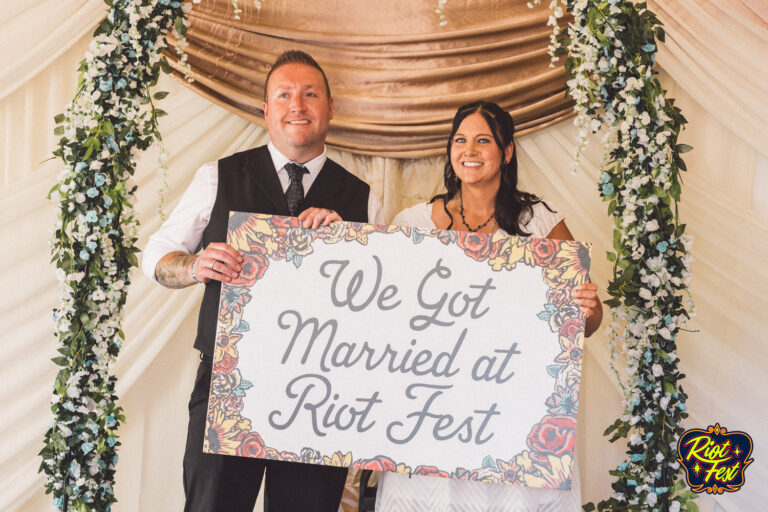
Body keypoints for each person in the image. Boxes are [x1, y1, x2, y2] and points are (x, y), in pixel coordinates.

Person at [141, 50, 384, 512]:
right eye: (285, 95)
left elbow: (379, 310)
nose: (298, 104)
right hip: (229, 383)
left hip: (321, 396)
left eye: (311, 94)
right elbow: (155, 255)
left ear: (331, 108)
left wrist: (351, 247)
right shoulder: (218, 176)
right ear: (265, 109)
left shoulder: (362, 199)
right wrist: (194, 266)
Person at [375, 101, 602, 511]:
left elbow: (588, 320)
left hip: (511, 413)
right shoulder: (413, 225)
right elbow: (385, 316)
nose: (470, 150)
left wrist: (587, 306)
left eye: (483, 140)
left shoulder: (540, 223)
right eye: (460, 140)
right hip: (432, 410)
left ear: (507, 152)